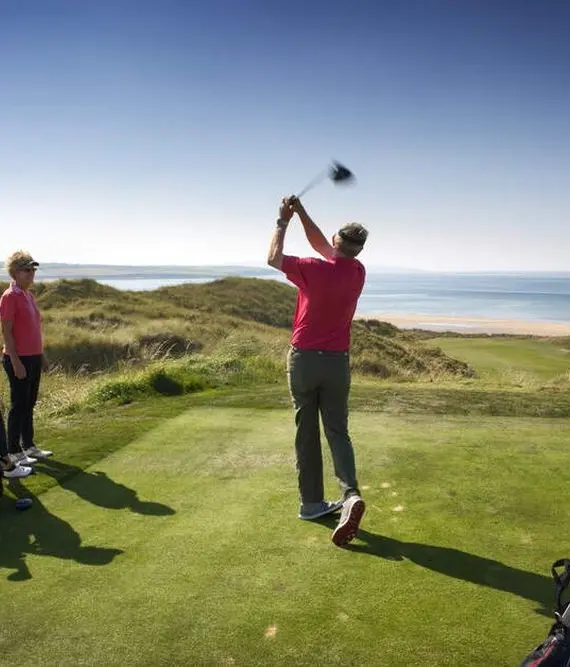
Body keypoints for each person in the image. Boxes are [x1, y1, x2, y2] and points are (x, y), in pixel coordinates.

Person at [267, 196, 369, 547]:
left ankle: (311, 502)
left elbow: (273, 258)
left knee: (306, 431)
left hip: (305, 361)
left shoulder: (313, 267)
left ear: (338, 242)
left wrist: (283, 221)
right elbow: (324, 244)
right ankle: (350, 494)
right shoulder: (357, 272)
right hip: (337, 363)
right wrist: (302, 213)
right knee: (338, 432)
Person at [0, 251, 53, 468]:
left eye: (33, 270)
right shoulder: (9, 297)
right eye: (27, 270)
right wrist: (15, 360)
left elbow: (33, 330)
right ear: (15, 272)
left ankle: (29, 445)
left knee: (29, 403)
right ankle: (13, 450)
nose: (32, 274)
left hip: (33, 356)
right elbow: (7, 332)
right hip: (17, 358)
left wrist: (42, 355)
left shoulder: (28, 296)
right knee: (18, 404)